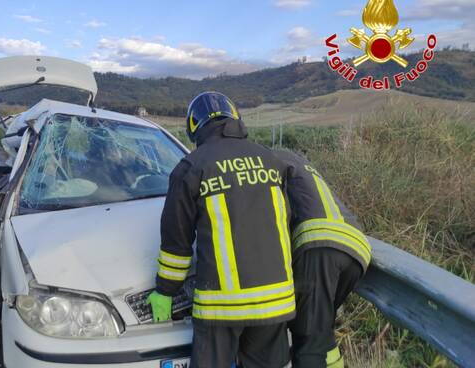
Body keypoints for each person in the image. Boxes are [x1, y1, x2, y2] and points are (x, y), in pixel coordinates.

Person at [147, 92, 296, 368]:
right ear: (235, 116)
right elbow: (285, 221)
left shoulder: (192, 167)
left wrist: (166, 290)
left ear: (194, 125)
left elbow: (176, 242)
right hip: (277, 302)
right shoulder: (271, 161)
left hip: (222, 306)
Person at [276, 149, 371, 368]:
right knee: (321, 331)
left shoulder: (264, 165)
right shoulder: (297, 162)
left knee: (308, 340)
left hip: (321, 249)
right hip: (356, 245)